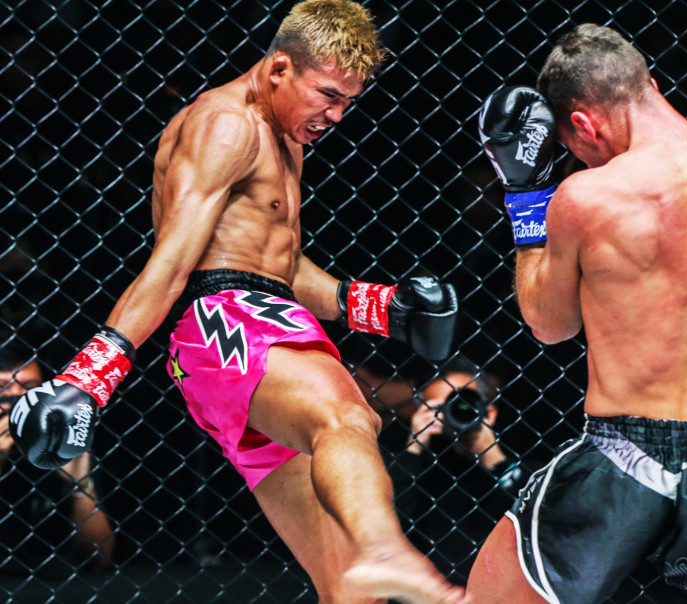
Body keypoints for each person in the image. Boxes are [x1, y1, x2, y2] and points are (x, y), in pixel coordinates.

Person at [7, 2, 466, 602]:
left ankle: (372, 563)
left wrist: (378, 307)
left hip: (243, 331)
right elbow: (175, 263)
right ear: (279, 69)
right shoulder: (226, 125)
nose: (335, 115)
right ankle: (386, 549)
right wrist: (89, 377)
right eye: (328, 95)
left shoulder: (282, 134)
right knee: (349, 419)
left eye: (348, 102)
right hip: (229, 323)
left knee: (349, 587)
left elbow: (274, 265)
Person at [468, 23, 687, 604]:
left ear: (583, 125)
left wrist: (526, 197)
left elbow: (550, 324)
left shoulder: (588, 198)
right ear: (650, 85)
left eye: (571, 145)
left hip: (618, 455)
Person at [388, 358, 533, 585]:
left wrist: (492, 456)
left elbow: (536, 518)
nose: (455, 411)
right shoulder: (416, 469)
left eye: (464, 402)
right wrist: (414, 445)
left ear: (489, 412)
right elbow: (390, 520)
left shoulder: (523, 463)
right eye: (440, 408)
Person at [0, 346, 114, 576]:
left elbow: (99, 559)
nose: (16, 402)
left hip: (55, 579)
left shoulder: (60, 442)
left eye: (29, 388)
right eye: (3, 389)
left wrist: (80, 486)